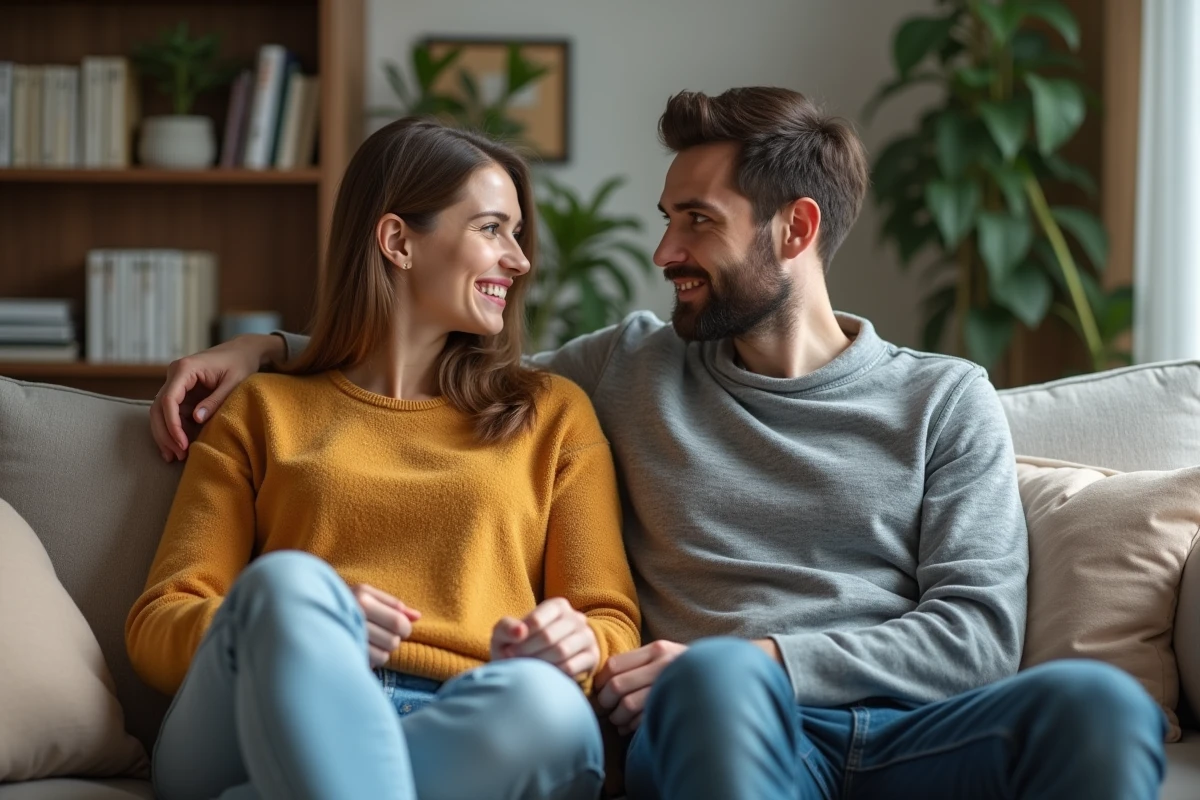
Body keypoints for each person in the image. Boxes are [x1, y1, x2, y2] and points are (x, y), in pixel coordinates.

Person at [148, 88, 1167, 800]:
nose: (664, 250)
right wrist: (276, 350)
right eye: (667, 217)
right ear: (396, 238)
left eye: (696, 221)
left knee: (1100, 703)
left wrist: (756, 655)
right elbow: (419, 365)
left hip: (898, 731)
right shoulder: (632, 364)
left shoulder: (944, 399)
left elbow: (977, 635)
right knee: (710, 682)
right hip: (716, 719)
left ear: (795, 230)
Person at [127, 117, 640, 800]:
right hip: (265, 717)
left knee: (548, 709)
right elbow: (159, 622)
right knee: (287, 585)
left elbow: (611, 622)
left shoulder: (551, 414)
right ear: (398, 241)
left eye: (517, 234)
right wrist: (303, 623)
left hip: (465, 720)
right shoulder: (260, 409)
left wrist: (580, 643)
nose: (519, 260)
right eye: (492, 229)